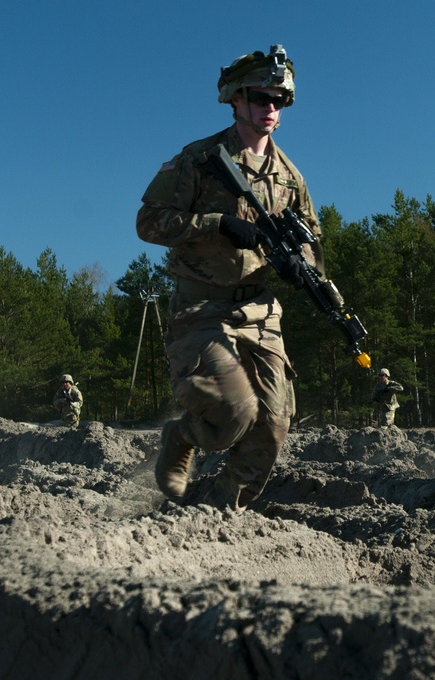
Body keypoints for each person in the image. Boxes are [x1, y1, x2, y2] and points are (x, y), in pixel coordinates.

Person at [136, 45, 323, 512]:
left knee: (273, 423)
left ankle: (219, 512)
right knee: (234, 412)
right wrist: (215, 224)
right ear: (236, 99)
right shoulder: (199, 160)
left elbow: (313, 238)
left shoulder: (289, 177)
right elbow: (148, 221)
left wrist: (301, 262)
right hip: (200, 307)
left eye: (280, 100)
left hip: (259, 311)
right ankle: (182, 436)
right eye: (262, 97)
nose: (271, 109)